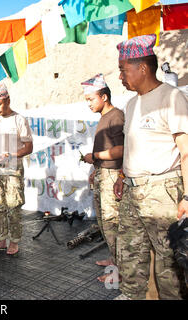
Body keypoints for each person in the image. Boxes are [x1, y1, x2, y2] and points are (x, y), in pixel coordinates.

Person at [113, 34, 188, 300]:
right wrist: (123, 175)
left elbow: (186, 151)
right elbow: (134, 146)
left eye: (123, 70)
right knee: (130, 255)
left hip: (162, 193)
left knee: (168, 263)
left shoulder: (172, 98)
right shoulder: (131, 104)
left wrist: (187, 197)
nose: (121, 76)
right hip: (132, 193)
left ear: (142, 68)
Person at [80, 74, 124, 282]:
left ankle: (121, 272)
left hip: (113, 176)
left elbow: (121, 150)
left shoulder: (116, 116)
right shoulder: (104, 118)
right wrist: (96, 169)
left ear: (104, 97)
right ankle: (115, 259)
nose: (88, 103)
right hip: (103, 175)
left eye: (91, 99)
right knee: (104, 222)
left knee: (113, 222)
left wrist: (95, 157)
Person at [0, 83, 33, 255]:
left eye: (0, 104)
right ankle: (1, 240)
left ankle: (14, 242)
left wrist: (12, 154)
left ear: (8, 100)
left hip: (13, 171)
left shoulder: (19, 120)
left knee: (13, 206)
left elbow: (29, 147)